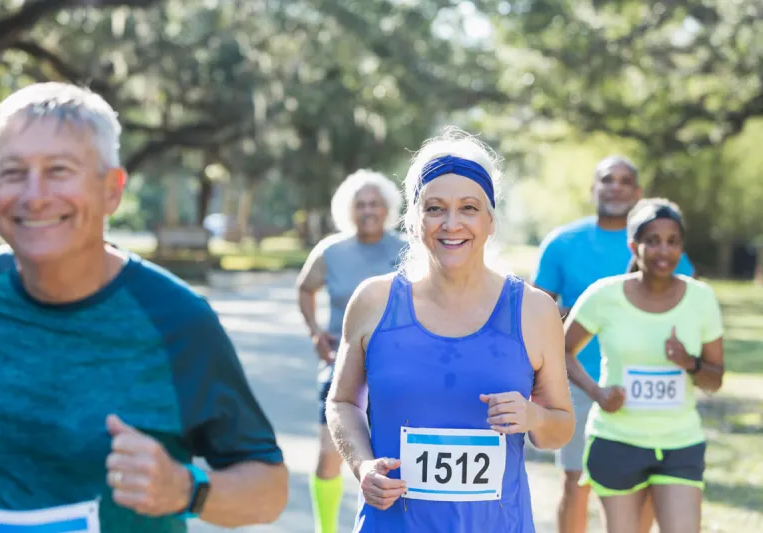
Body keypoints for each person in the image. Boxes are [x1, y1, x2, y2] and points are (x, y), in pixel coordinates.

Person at [0, 82, 287, 533]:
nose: (34, 195)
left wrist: (185, 489)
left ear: (112, 189)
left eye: (59, 170)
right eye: (13, 172)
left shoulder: (176, 320)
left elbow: (269, 489)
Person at [325, 127, 575, 532]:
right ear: (413, 220)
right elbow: (342, 403)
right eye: (435, 208)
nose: (451, 224)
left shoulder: (533, 309)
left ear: (491, 220)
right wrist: (362, 464)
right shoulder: (374, 301)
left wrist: (533, 416)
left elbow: (559, 428)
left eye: (469, 208)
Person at [532, 156, 695, 533]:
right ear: (594, 189)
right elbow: (533, 314)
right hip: (576, 379)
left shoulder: (658, 242)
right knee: (577, 482)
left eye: (625, 181)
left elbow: (686, 301)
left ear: (638, 193)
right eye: (607, 179)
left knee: (640, 487)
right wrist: (571, 316)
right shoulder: (563, 242)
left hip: (642, 382)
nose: (615, 187)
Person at [563, 198, 724, 533]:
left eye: (672, 242)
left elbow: (715, 379)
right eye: (652, 241)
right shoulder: (604, 295)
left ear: (682, 247)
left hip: (679, 443)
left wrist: (689, 362)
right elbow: (561, 351)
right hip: (616, 440)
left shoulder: (701, 298)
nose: (663, 251)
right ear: (633, 245)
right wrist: (597, 392)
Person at [296, 169, 406, 533]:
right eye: (360, 204)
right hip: (341, 365)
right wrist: (315, 332)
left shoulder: (406, 248)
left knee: (386, 459)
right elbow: (304, 288)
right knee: (330, 454)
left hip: (395, 366)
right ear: (349, 210)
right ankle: (325, 529)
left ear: (387, 208)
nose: (368, 210)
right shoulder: (331, 250)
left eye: (375, 203)